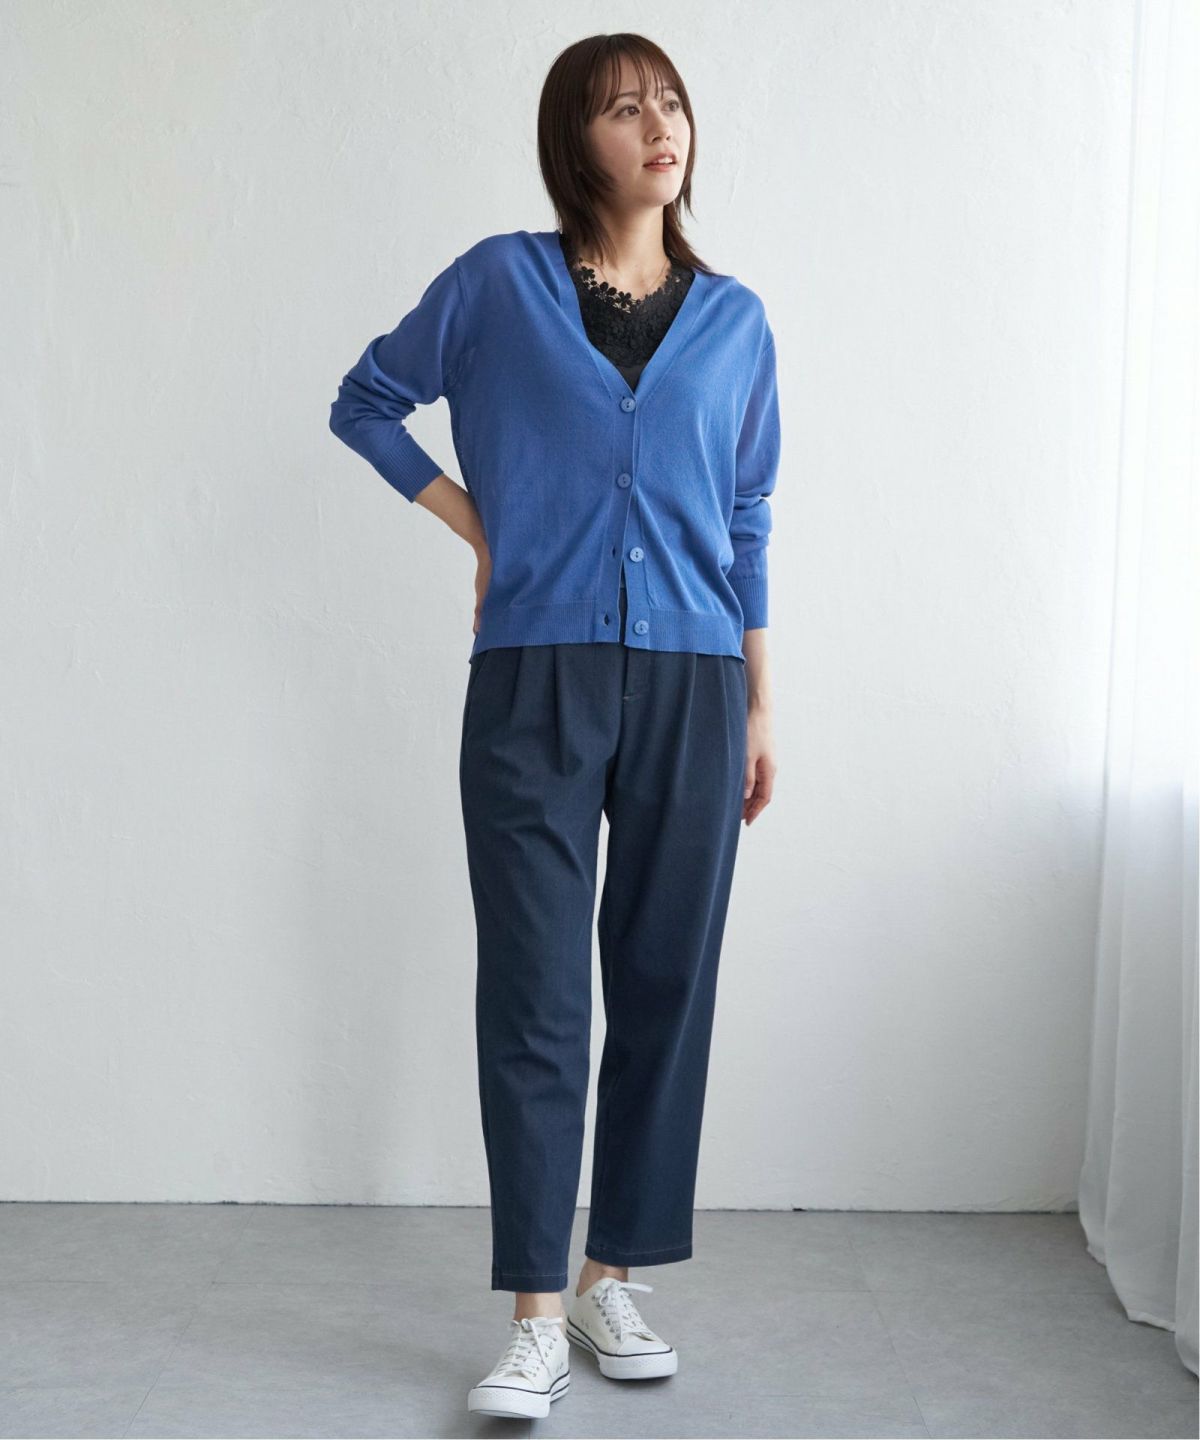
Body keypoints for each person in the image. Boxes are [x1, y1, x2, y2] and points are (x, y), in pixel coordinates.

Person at [328, 31, 780, 1422]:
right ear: (572, 141)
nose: (659, 126)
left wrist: (762, 698)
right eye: (623, 108)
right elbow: (366, 401)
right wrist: (481, 526)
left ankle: (608, 1275)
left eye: (670, 102)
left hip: (697, 683)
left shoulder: (737, 321)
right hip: (534, 674)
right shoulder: (496, 284)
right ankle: (533, 1313)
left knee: (663, 984)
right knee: (534, 992)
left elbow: (748, 518)